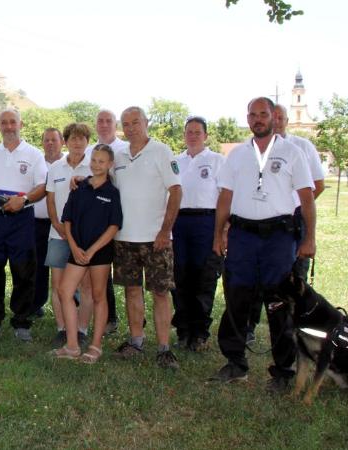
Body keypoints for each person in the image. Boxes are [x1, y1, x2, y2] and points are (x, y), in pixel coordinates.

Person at [209, 97, 315, 392]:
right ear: (248, 119)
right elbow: (225, 198)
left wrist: (309, 238)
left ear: (273, 117)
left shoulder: (292, 152)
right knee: (237, 297)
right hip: (242, 235)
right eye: (253, 115)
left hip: (278, 236)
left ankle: (283, 371)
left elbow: (307, 198)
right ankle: (235, 363)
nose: (258, 119)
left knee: (280, 302)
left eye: (263, 114)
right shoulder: (237, 155)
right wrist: (219, 233)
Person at [244, 104, 327, 343]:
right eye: (274, 117)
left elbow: (317, 185)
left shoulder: (301, 147)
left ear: (286, 120)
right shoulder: (252, 149)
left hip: (293, 222)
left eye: (280, 117)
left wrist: (296, 207)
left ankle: (294, 326)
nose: (277, 121)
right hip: (259, 224)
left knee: (293, 274)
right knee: (258, 276)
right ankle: (250, 325)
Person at [111, 106, 182, 370]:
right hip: (125, 237)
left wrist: (165, 231)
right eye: (126, 124)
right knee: (132, 290)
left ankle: (164, 348)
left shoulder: (162, 152)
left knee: (161, 292)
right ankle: (136, 341)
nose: (130, 128)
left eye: (135, 122)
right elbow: (103, 181)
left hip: (156, 239)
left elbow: (175, 191)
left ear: (146, 122)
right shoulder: (118, 155)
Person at [0, 109, 48, 342]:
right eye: (4, 122)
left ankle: (21, 322)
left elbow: (43, 186)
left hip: (22, 219)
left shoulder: (34, 154)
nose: (9, 126)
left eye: (13, 122)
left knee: (23, 270)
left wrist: (22, 200)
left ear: (20, 124)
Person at [53, 144, 122, 362]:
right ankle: (72, 346)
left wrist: (92, 250)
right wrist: (73, 246)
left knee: (98, 295)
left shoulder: (112, 192)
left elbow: (114, 226)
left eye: (102, 161)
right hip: (77, 249)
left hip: (99, 253)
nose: (96, 165)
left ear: (110, 164)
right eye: (94, 160)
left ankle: (95, 346)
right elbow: (68, 219)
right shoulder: (79, 188)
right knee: (64, 290)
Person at [171, 116, 225, 352]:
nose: (192, 136)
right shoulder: (175, 161)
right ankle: (183, 331)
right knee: (179, 277)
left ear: (205, 135)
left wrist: (223, 229)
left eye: (197, 132)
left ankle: (200, 333)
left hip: (206, 222)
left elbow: (225, 197)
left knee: (204, 278)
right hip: (179, 223)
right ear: (184, 135)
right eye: (189, 132)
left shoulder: (217, 161)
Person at [45, 124, 94, 349]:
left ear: (87, 141)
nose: (77, 143)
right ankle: (62, 328)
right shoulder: (56, 167)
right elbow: (50, 199)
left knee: (86, 286)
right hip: (58, 235)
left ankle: (82, 330)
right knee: (58, 285)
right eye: (72, 139)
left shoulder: (95, 166)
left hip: (85, 237)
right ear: (66, 141)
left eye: (81, 138)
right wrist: (56, 224)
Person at [85, 109, 128, 333]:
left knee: (119, 273)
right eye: (99, 121)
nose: (103, 124)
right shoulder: (90, 150)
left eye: (108, 121)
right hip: (97, 218)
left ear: (115, 124)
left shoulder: (124, 149)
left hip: (121, 217)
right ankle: (108, 318)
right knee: (101, 270)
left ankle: (131, 321)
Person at [29, 127, 65, 319]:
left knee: (64, 268)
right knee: (38, 266)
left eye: (54, 140)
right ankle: (36, 305)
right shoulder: (36, 162)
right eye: (46, 140)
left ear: (62, 142)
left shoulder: (69, 161)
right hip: (38, 222)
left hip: (63, 225)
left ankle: (70, 304)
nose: (50, 143)